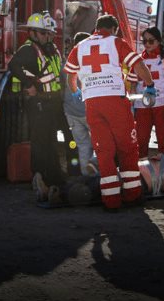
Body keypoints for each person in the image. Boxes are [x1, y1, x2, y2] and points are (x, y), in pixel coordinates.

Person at [64, 15, 155, 211]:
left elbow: (71, 76)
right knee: (127, 148)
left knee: (103, 151)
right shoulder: (116, 42)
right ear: (113, 28)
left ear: (96, 28)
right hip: (115, 101)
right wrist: (150, 85)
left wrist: (76, 90)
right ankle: (132, 195)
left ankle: (111, 200)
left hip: (92, 104)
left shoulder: (80, 47)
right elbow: (138, 65)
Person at [8, 11, 66, 199]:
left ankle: (55, 177)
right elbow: (14, 66)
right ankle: (40, 177)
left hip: (53, 102)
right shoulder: (28, 50)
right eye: (43, 33)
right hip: (40, 103)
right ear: (32, 33)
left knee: (51, 141)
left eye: (49, 33)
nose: (47, 37)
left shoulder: (49, 49)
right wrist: (29, 85)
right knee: (41, 143)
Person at [127, 27, 164, 160]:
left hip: (162, 105)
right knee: (141, 141)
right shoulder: (138, 59)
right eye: (144, 41)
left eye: (151, 41)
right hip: (141, 105)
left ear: (159, 41)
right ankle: (142, 175)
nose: (147, 44)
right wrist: (131, 106)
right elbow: (133, 85)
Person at [63, 32, 98, 176]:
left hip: (71, 113)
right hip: (89, 111)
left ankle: (87, 179)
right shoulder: (94, 62)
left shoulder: (66, 63)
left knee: (83, 146)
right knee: (100, 145)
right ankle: (98, 176)